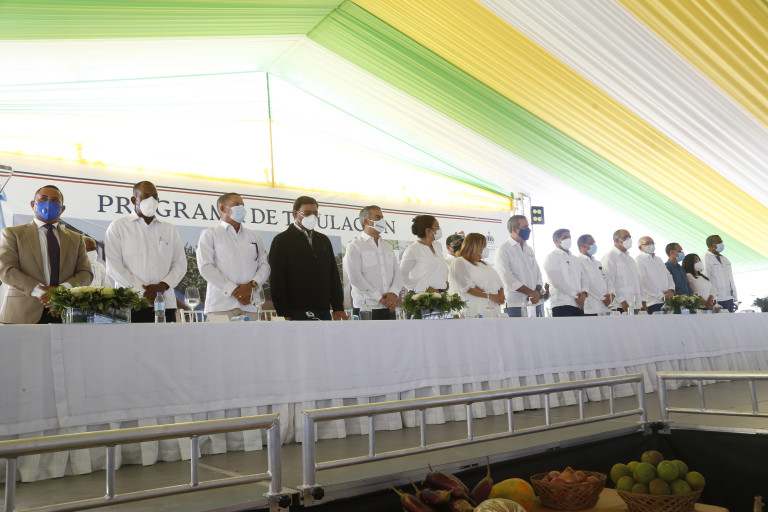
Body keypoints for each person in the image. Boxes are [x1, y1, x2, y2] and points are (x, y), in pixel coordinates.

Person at [0, 185, 92, 324]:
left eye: (55, 200)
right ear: (33, 204)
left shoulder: (76, 239)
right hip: (22, 313)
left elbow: (86, 273)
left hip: (65, 312)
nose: (49, 203)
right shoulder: (13, 233)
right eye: (43, 199)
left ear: (62, 208)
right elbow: (6, 270)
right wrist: (42, 293)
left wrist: (61, 291)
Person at [105, 181, 187, 323]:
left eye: (155, 197)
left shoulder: (169, 229)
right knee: (130, 339)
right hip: (130, 304)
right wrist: (145, 291)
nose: (151, 200)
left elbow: (180, 264)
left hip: (165, 304)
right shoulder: (118, 227)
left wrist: (162, 286)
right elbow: (114, 267)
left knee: (167, 338)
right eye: (145, 196)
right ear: (134, 200)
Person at [268, 196, 347, 321]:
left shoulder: (323, 240)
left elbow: (333, 276)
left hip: (323, 310)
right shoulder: (282, 240)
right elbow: (277, 280)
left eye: (315, 213)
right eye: (307, 213)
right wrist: (284, 313)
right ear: (295, 214)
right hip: (295, 312)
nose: (312, 217)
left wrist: (338, 307)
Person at [196, 193, 270, 320]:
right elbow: (206, 267)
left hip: (251, 305)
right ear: (223, 209)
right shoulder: (209, 234)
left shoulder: (254, 237)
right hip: (220, 306)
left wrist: (252, 287)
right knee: (219, 334)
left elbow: (265, 266)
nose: (241, 208)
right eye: (237, 204)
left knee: (253, 334)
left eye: (242, 205)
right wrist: (234, 290)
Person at [343, 205, 402, 320]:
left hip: (389, 307)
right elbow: (355, 278)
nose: (382, 220)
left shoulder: (388, 247)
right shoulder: (354, 246)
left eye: (382, 217)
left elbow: (397, 273)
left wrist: (393, 293)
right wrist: (380, 298)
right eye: (378, 217)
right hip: (366, 308)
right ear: (366, 221)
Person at [495, 215, 546, 317]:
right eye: (525, 227)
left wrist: (536, 292)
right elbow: (507, 278)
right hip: (516, 304)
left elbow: (538, 273)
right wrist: (531, 293)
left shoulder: (529, 249)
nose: (528, 230)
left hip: (536, 302)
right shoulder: (503, 249)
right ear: (515, 229)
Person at [449, 233, 504, 317]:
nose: (486, 248)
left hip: (492, 311)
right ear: (475, 246)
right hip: (473, 311)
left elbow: (499, 283)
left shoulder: (485, 264)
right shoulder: (459, 262)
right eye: (483, 245)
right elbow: (468, 287)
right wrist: (491, 296)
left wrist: (501, 295)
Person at [399, 215, 449, 292]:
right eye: (437, 226)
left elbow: (436, 268)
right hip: (421, 295)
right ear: (428, 230)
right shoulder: (413, 249)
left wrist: (443, 282)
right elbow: (401, 277)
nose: (439, 229)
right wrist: (424, 288)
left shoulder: (438, 245)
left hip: (440, 293)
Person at [543, 229, 586, 317]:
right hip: (562, 304)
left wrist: (584, 294)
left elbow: (585, 278)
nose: (569, 239)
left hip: (579, 304)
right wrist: (576, 296)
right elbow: (557, 281)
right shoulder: (551, 257)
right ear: (556, 240)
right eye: (565, 237)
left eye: (569, 237)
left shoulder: (576, 259)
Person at [601, 229, 644, 313]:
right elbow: (609, 282)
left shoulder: (631, 259)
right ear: (617, 240)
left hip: (635, 305)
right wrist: (622, 301)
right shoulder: (610, 257)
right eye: (626, 237)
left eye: (630, 237)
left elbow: (638, 282)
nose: (629, 240)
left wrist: (643, 302)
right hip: (620, 306)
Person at [635, 236, 675, 314]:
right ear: (640, 247)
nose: (651, 245)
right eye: (647, 243)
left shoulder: (658, 259)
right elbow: (644, 281)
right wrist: (661, 296)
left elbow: (669, 276)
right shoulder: (639, 260)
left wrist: (671, 290)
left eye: (653, 243)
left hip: (668, 301)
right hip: (654, 302)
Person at [577, 234, 614, 316]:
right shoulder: (577, 262)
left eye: (594, 243)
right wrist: (603, 298)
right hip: (590, 308)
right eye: (592, 243)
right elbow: (586, 284)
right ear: (583, 245)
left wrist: (611, 295)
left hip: (605, 307)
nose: (594, 245)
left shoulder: (597, 263)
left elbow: (607, 280)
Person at [703, 235, 738, 312]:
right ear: (711, 245)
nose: (721, 244)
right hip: (717, 299)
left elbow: (730, 279)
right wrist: (710, 299)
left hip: (729, 298)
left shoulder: (724, 259)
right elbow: (706, 280)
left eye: (721, 242)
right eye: (719, 242)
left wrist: (734, 298)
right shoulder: (706, 258)